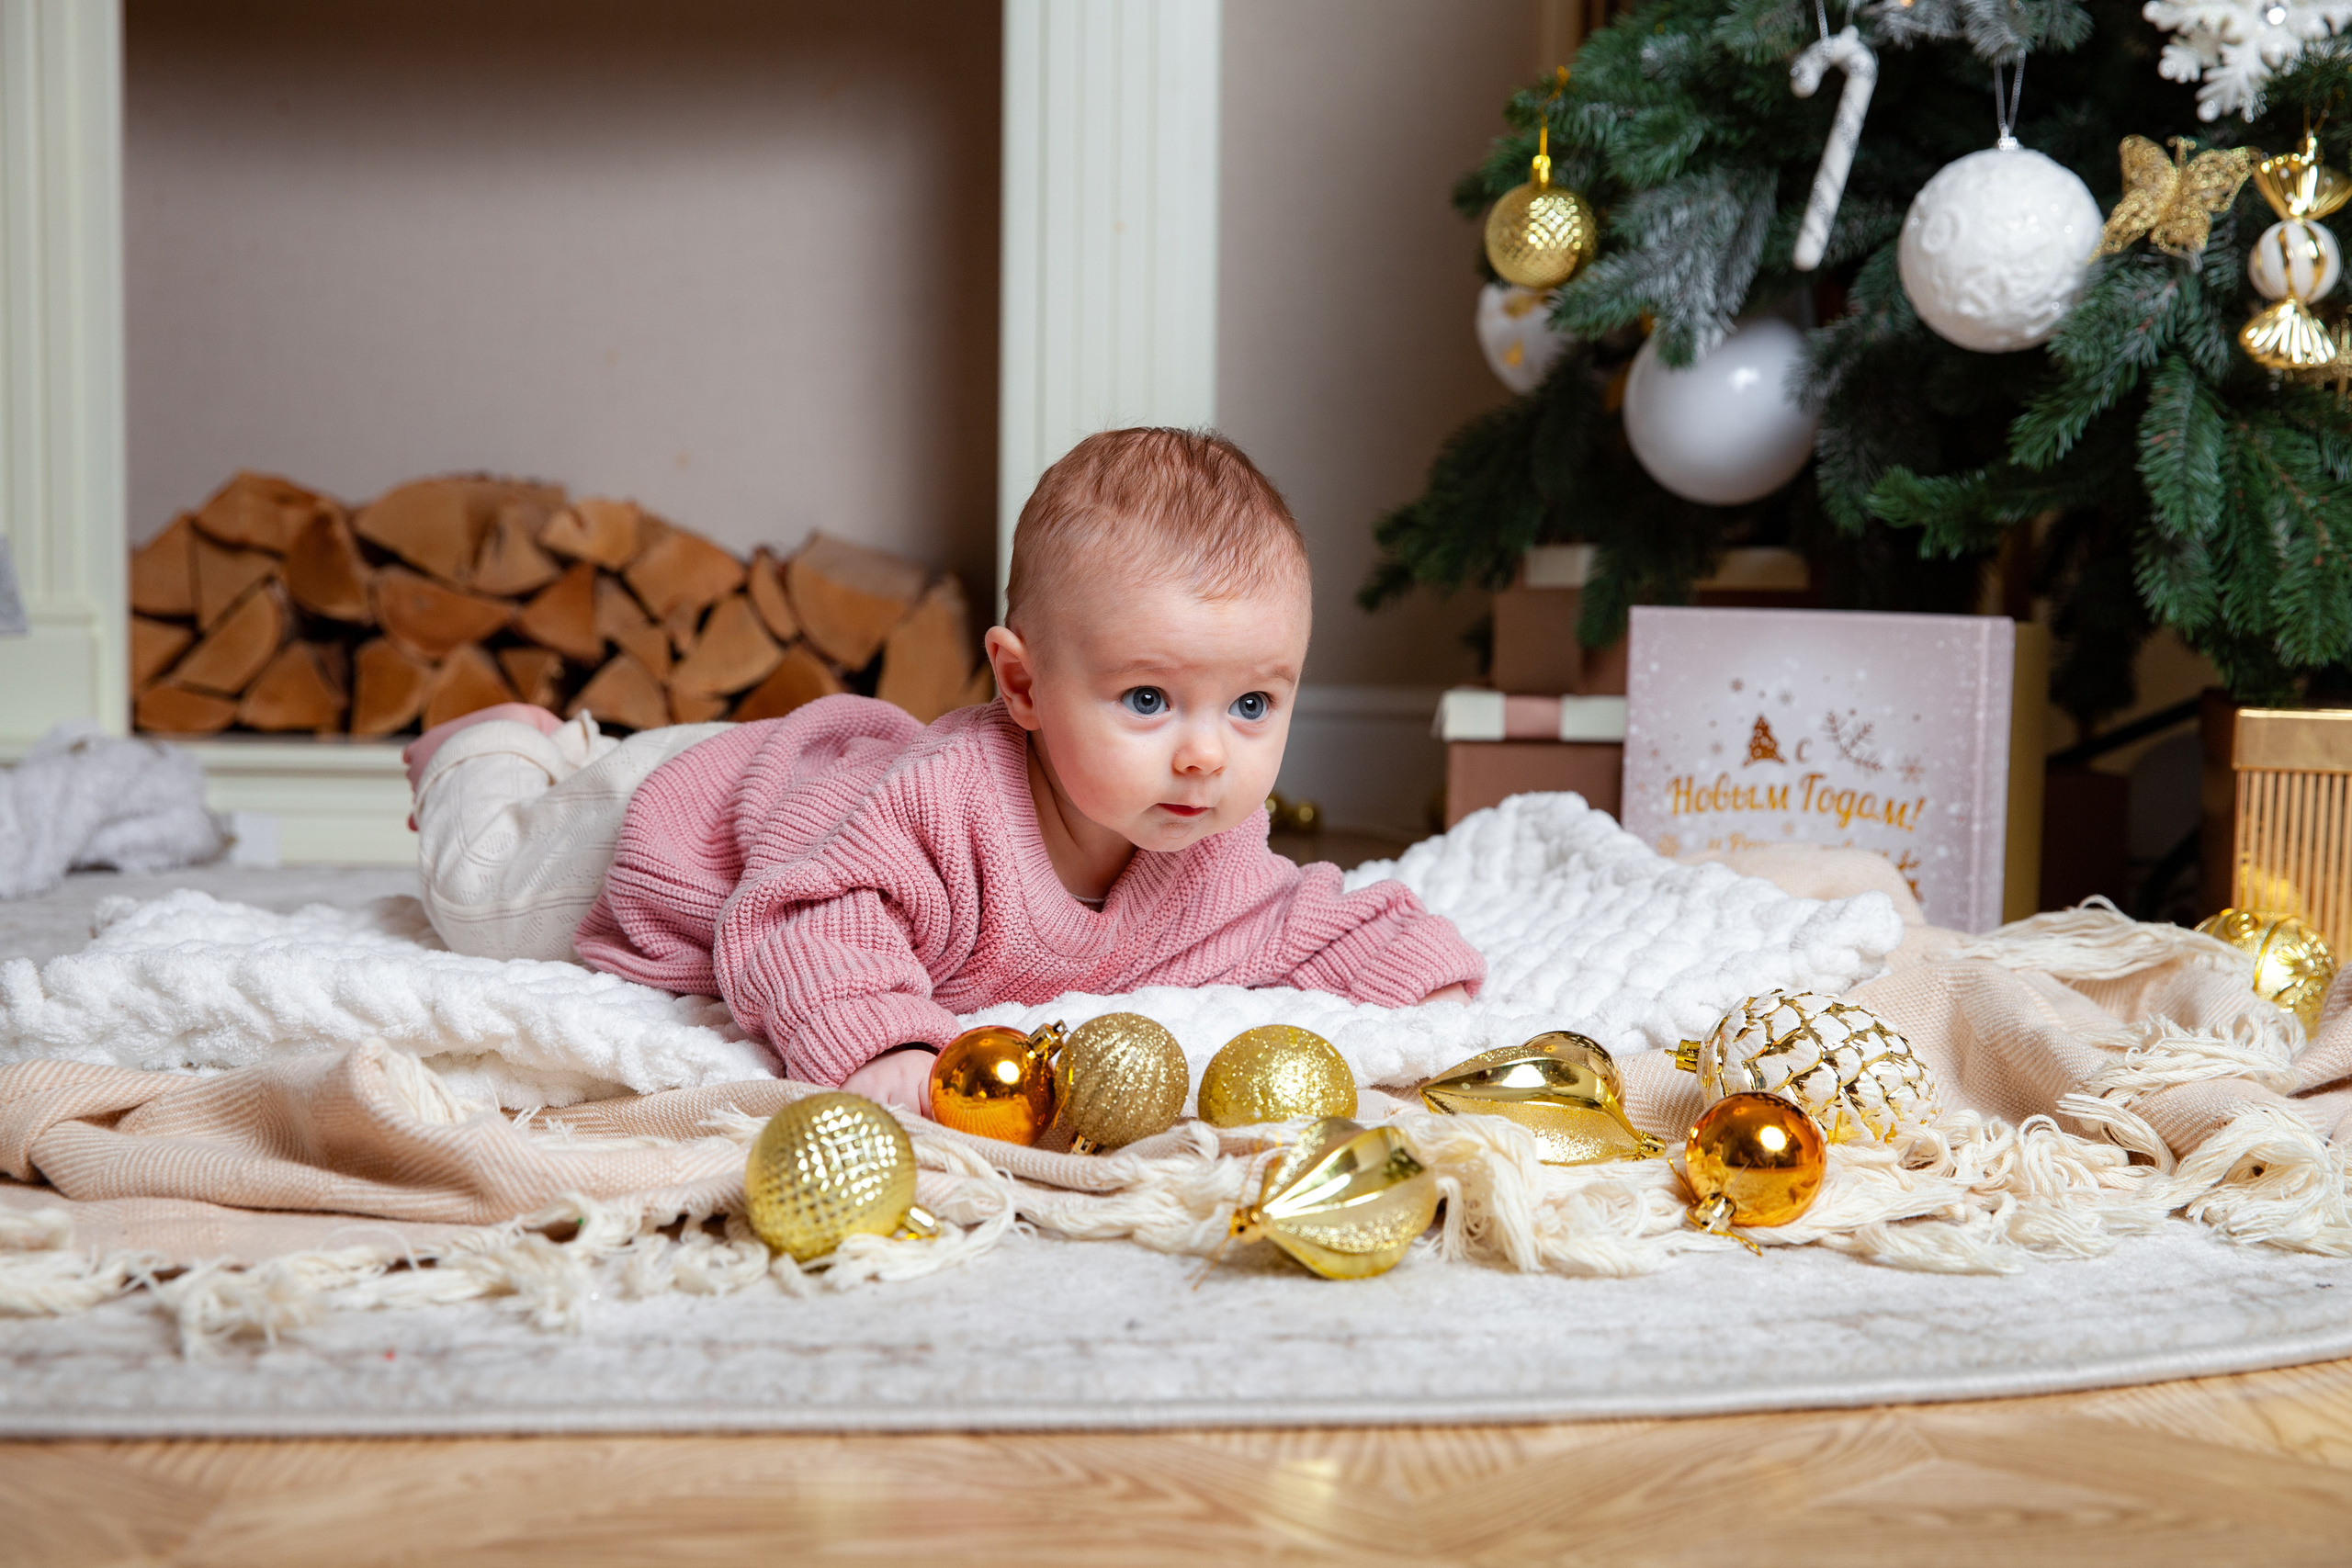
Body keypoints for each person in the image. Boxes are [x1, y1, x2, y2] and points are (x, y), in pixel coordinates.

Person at [404, 428, 1482, 1115]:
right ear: (1020, 687)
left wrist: (1429, 980)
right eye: (1147, 701)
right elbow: (803, 920)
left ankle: (569, 750)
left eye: (1252, 704)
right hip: (672, 834)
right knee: (477, 903)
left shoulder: (1204, 844)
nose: (1206, 752)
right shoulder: (945, 808)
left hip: (805, 791)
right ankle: (495, 750)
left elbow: (1306, 917)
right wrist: (879, 1048)